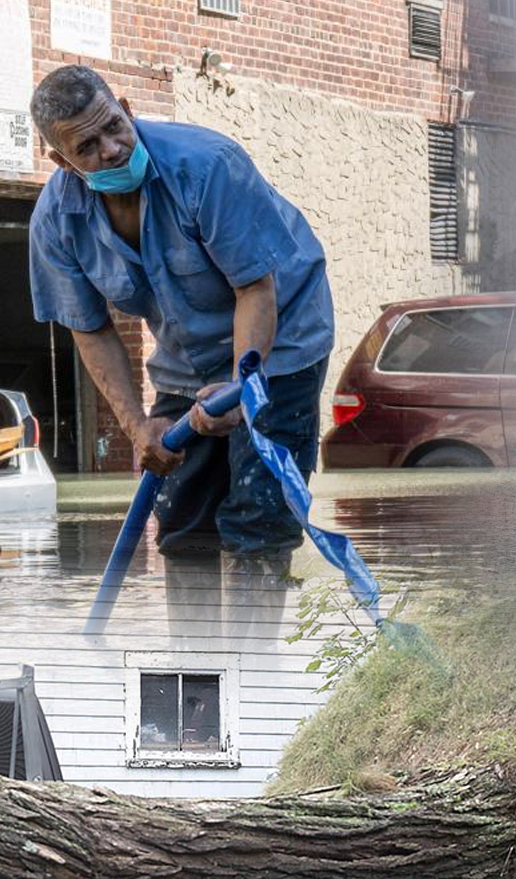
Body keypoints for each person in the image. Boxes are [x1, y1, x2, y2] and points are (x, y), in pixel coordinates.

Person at [26, 65, 334, 632]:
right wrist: (136, 425)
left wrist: (246, 384)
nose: (113, 150)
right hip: (186, 355)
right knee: (182, 512)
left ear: (125, 105)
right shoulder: (57, 219)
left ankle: (251, 678)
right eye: (87, 147)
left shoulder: (208, 166)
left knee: (256, 512)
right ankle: (194, 684)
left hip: (281, 336)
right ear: (60, 160)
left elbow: (254, 288)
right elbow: (89, 328)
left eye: (115, 127)